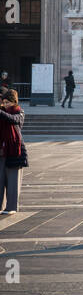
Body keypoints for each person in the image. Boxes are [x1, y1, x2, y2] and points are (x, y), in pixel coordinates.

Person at [0, 88, 27, 216]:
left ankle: (11, 207)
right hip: (2, 151)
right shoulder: (2, 112)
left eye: (8, 102)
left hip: (15, 151)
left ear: (14, 102)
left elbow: (14, 119)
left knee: (12, 182)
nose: (6, 105)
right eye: (4, 102)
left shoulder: (19, 112)